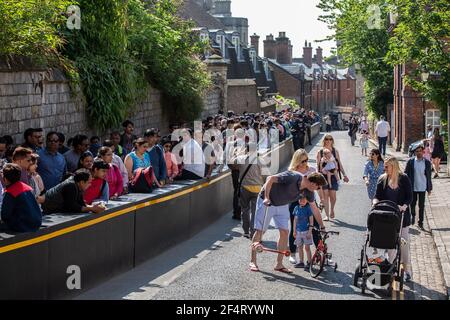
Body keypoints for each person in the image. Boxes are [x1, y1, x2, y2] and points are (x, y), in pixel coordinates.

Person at [249, 170, 327, 273]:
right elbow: (270, 178)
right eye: (318, 187)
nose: (318, 189)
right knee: (260, 231)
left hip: (282, 204)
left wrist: (322, 226)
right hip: (267, 201)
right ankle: (253, 261)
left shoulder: (309, 192)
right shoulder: (294, 177)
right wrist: (267, 197)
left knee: (285, 232)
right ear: (313, 184)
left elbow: (314, 209)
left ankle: (279, 264)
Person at [373, 156, 413, 282]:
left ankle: (407, 271)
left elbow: (409, 196)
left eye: (386, 166)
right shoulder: (382, 179)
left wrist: (404, 206)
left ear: (393, 166)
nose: (384, 169)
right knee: (390, 245)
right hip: (387, 217)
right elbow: (377, 196)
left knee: (404, 245)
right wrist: (375, 203)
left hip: (402, 218)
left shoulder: (404, 178)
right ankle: (389, 270)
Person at [0, 163, 42, 232]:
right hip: (36, 223)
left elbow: (5, 215)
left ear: (5, 179)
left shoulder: (10, 192)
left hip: (23, 226)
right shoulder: (28, 188)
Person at [316, 135, 349, 220]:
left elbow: (339, 163)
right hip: (323, 176)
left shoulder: (335, 151)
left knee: (333, 196)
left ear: (332, 140)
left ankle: (332, 210)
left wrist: (344, 175)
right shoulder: (320, 152)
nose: (328, 141)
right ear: (324, 140)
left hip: (333, 176)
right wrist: (317, 176)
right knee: (325, 195)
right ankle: (327, 215)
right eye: (326, 139)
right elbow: (318, 166)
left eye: (330, 139)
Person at [236, 142, 265, 239]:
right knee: (254, 211)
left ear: (247, 149)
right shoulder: (260, 160)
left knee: (245, 209)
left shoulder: (241, 158)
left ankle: (245, 231)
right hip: (257, 188)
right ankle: (253, 232)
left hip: (244, 187)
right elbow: (264, 174)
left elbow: (231, 163)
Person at [404, 145, 432, 229]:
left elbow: (429, 176)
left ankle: (421, 222)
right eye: (417, 151)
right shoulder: (411, 162)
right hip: (413, 187)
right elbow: (405, 174)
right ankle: (413, 215)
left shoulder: (427, 162)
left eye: (420, 151)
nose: (418, 152)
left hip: (422, 187)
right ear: (415, 152)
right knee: (412, 204)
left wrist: (429, 188)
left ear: (423, 152)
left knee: (421, 205)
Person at [293, 193, 314, 270]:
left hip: (306, 231)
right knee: (299, 247)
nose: (302, 201)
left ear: (307, 200)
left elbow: (311, 221)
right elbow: (295, 220)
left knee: (307, 248)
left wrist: (310, 231)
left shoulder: (308, 208)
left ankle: (309, 262)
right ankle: (301, 262)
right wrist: (294, 231)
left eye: (304, 200)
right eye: (300, 199)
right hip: (298, 231)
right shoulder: (296, 208)